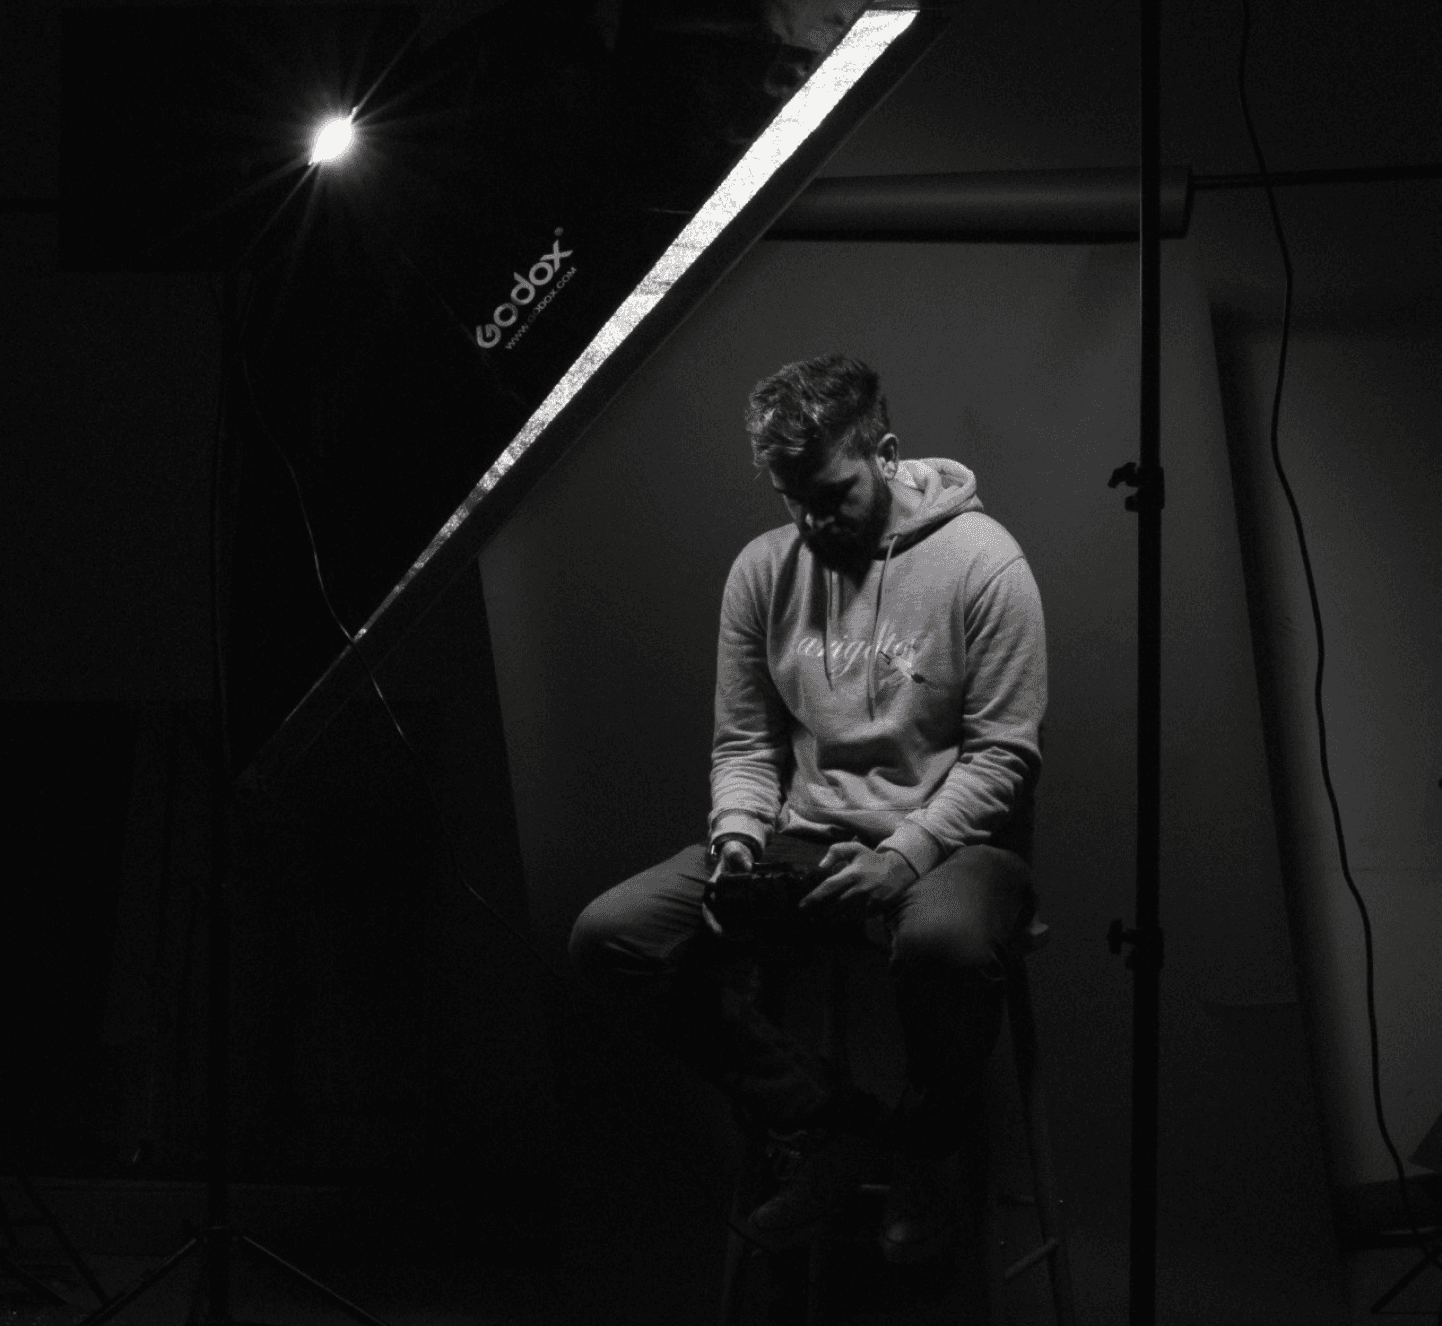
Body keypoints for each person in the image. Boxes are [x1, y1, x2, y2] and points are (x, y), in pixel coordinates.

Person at [569, 353, 1047, 1263]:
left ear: (886, 454)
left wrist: (903, 857)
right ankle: (830, 1130)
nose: (813, 521)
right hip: (805, 838)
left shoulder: (986, 564)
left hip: (953, 841)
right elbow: (745, 746)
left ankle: (924, 1159)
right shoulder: (762, 572)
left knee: (947, 945)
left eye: (832, 495)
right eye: (793, 501)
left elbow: (1002, 758)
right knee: (613, 935)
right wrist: (738, 843)